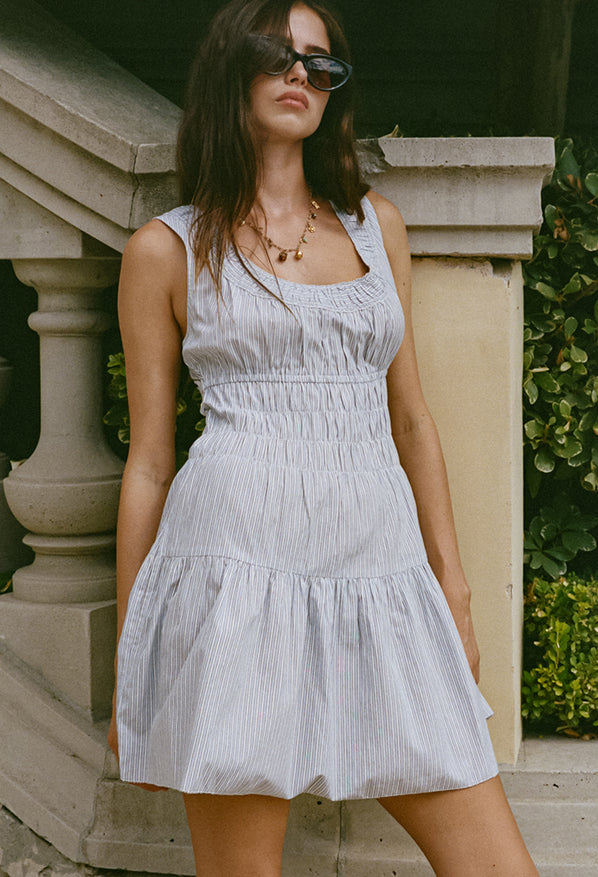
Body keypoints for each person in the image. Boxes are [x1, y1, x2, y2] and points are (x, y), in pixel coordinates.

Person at [108, 1, 539, 874]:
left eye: (321, 63)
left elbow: (412, 419)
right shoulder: (165, 250)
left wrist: (451, 587)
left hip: (380, 570)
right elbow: (150, 461)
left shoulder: (377, 228)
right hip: (232, 576)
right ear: (231, 68)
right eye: (279, 54)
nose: (302, 73)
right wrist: (135, 654)